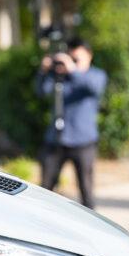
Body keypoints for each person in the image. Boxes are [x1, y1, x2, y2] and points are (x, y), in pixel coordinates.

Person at [36, 37, 107, 209]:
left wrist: (73, 69)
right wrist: (44, 71)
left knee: (86, 191)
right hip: (55, 140)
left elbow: (94, 88)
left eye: (76, 59)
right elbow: (42, 91)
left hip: (83, 142)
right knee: (45, 190)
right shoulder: (60, 76)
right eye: (70, 58)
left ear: (89, 56)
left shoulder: (96, 75)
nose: (70, 63)